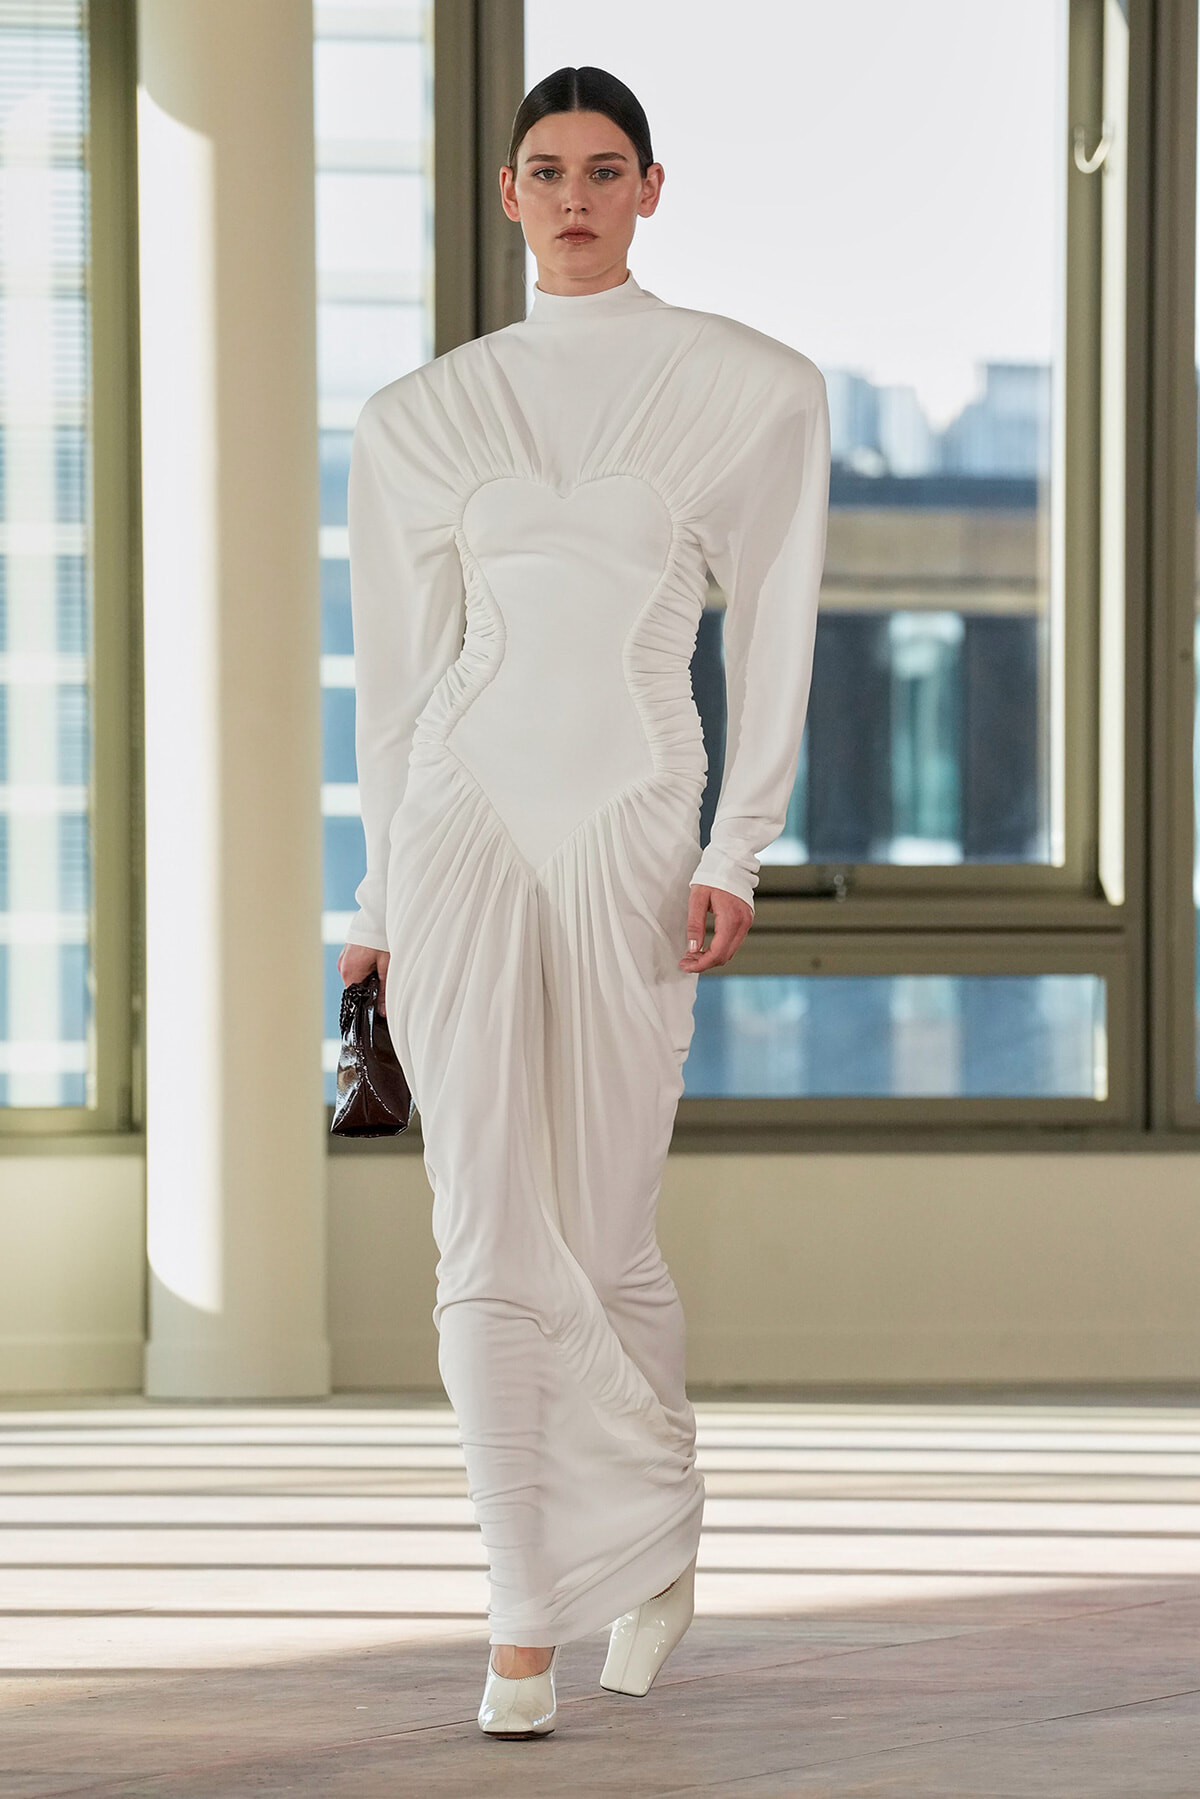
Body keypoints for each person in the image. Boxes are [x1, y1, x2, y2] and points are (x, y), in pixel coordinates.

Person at [336, 63, 831, 1740]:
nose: (573, 197)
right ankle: (521, 1614)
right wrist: (376, 891)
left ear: (651, 189)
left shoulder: (751, 391)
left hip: (633, 827)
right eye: (544, 170)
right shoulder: (420, 415)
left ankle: (656, 1541)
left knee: (606, 1222)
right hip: (458, 827)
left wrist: (732, 847)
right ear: (505, 194)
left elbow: (775, 628)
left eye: (603, 170)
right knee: (479, 1223)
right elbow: (394, 686)